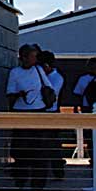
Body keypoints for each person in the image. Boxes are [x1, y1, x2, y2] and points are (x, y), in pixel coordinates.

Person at [5, 44, 48, 190]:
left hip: (38, 111)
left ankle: (38, 184)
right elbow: (9, 92)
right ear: (24, 57)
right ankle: (20, 179)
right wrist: (19, 94)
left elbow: (49, 87)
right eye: (33, 56)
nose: (35, 59)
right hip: (21, 111)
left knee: (39, 150)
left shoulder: (39, 70)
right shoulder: (15, 73)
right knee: (20, 149)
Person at [40, 50, 67, 181]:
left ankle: (58, 170)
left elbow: (50, 94)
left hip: (51, 112)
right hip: (41, 113)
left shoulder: (57, 78)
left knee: (52, 144)